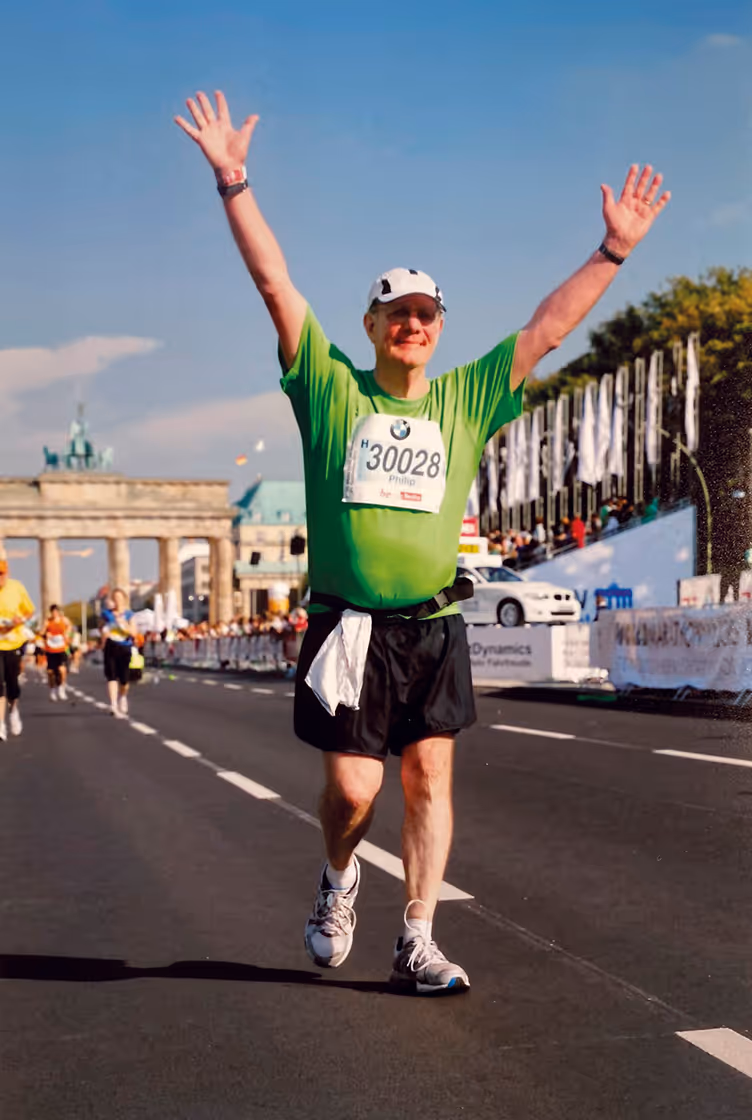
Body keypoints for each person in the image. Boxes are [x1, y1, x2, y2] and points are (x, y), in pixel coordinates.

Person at [176, 89, 670, 993]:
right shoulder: (329, 388)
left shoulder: (468, 396)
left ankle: (418, 934)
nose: (413, 323)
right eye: (396, 312)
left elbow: (546, 330)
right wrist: (234, 181)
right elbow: (276, 285)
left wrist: (614, 250)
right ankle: (338, 880)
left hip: (433, 624)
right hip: (347, 628)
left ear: (439, 329)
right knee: (357, 793)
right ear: (370, 327)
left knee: (429, 782)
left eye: (426, 313)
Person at [0, 558, 35, 741]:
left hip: (13, 641)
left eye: (1, 574)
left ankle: (13, 710)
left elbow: (29, 611)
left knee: (11, 682)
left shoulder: (16, 587)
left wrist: (19, 620)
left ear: (7, 573)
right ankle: (0, 725)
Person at [101, 588, 136, 718]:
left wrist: (124, 624)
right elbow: (102, 628)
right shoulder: (106, 614)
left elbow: (134, 632)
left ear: (124, 599)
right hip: (111, 646)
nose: (117, 601)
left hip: (125, 647)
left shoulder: (129, 615)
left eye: (120, 598)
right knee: (111, 676)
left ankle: (123, 696)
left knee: (124, 680)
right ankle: (113, 704)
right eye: (115, 598)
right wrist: (104, 633)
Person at [41, 604, 72, 702]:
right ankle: (52, 690)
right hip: (51, 649)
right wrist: (46, 634)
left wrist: (67, 634)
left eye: (56, 611)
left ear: (58, 612)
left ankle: (62, 688)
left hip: (61, 648)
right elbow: (41, 633)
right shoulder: (48, 621)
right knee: (50, 672)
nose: (55, 613)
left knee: (62, 669)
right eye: (53, 612)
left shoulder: (64, 620)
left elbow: (70, 628)